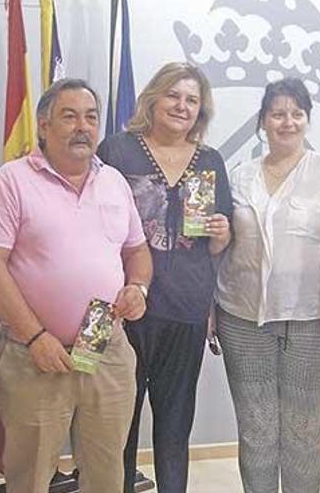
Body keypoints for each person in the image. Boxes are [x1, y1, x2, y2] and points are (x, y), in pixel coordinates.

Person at [0, 78, 153, 493]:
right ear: (43, 125)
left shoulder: (113, 181)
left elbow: (138, 253)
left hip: (103, 348)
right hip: (35, 352)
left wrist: (139, 288)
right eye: (69, 116)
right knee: (30, 475)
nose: (83, 127)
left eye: (91, 117)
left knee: (107, 473)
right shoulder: (11, 180)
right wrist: (34, 336)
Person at [213, 78, 320, 493]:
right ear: (262, 122)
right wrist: (210, 309)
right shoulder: (239, 176)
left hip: (314, 322)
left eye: (297, 113)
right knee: (255, 428)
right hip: (243, 321)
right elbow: (221, 247)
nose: (287, 121)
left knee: (304, 430)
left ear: (308, 120)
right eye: (278, 113)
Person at [96, 62, 232, 493]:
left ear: (202, 111)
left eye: (192, 100)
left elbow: (220, 241)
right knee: (116, 420)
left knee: (175, 421)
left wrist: (221, 232)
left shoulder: (211, 161)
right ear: (152, 99)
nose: (182, 106)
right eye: (174, 95)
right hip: (122, 307)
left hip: (187, 309)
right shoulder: (116, 151)